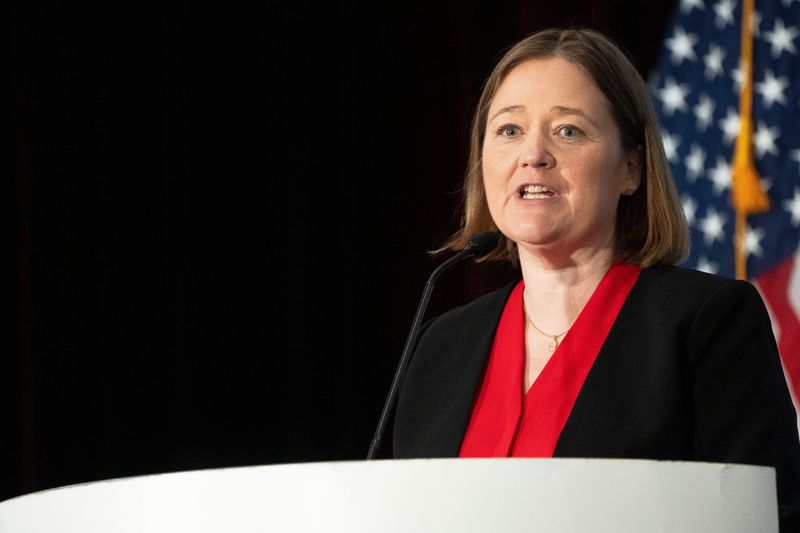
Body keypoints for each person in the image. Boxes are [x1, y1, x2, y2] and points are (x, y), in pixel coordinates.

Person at [391, 28, 800, 528]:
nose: (533, 154)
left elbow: (762, 515)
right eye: (509, 130)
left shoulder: (706, 324)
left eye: (568, 131)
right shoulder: (443, 346)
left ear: (630, 168)